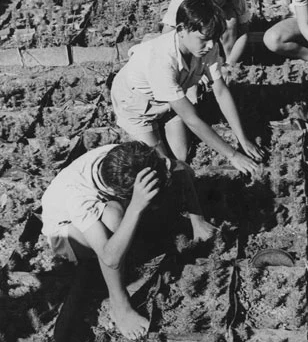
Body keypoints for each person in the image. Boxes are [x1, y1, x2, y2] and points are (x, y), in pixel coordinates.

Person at [41, 141, 217, 339]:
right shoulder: (79, 196)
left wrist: (197, 220)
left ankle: (132, 231)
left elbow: (181, 169)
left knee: (128, 217)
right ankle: (120, 307)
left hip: (111, 201)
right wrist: (135, 207)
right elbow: (109, 257)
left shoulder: (133, 158)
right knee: (113, 219)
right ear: (120, 194)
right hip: (66, 232)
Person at [111, 0, 264, 172]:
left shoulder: (207, 45)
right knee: (163, 166)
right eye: (204, 39)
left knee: (182, 155)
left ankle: (165, 119)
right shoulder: (161, 61)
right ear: (182, 29)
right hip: (136, 107)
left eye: (214, 39)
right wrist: (233, 155)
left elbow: (221, 92)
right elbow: (192, 119)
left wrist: (242, 138)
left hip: (169, 102)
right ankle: (137, 133)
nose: (210, 46)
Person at [162, 0, 251, 65]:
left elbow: (244, 30)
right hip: (197, 27)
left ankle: (227, 59)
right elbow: (169, 30)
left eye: (222, 1)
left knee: (230, 21)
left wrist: (229, 65)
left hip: (222, 24)